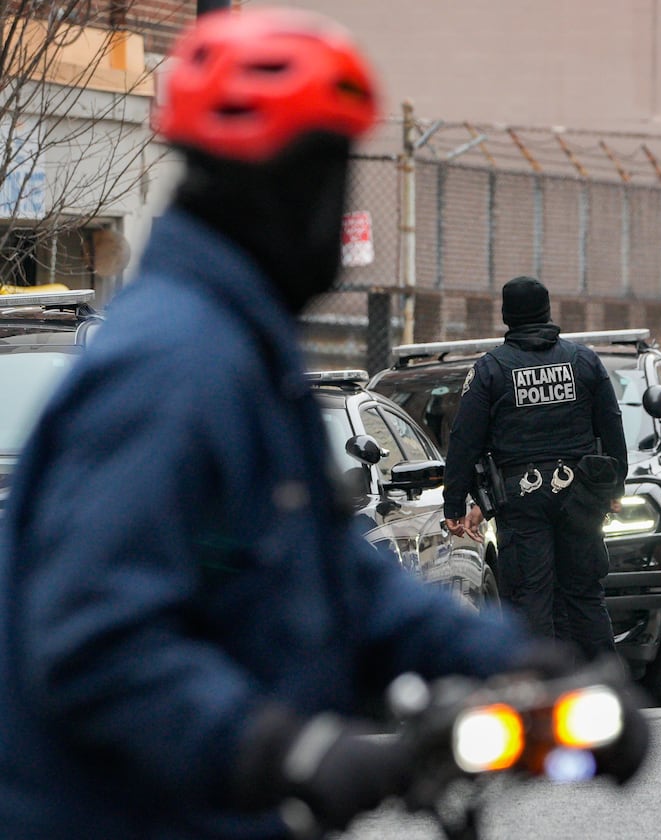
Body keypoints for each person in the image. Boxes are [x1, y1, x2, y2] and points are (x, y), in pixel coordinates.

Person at [0, 10, 575, 838]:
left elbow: (327, 573)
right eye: (330, 179)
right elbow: (96, 638)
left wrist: (507, 658)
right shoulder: (174, 365)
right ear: (282, 189)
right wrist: (284, 750)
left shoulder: (241, 352)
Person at [443, 276, 628, 663]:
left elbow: (464, 440)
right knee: (585, 596)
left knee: (531, 599)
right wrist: (615, 488)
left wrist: (454, 503)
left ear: (506, 316)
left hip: (521, 498)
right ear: (547, 311)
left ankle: (543, 687)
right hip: (581, 494)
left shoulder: (491, 369)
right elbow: (611, 426)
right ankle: (606, 684)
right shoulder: (583, 361)